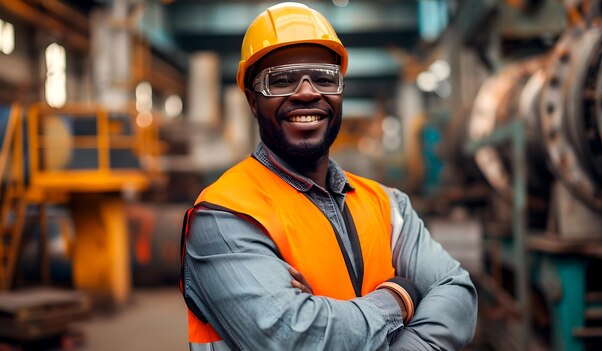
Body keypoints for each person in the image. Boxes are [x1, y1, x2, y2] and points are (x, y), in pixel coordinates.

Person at [180, 2, 477, 350]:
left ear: (340, 91)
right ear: (252, 101)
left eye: (324, 78)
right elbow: (294, 338)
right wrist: (399, 298)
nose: (307, 92)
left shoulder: (388, 205)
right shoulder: (224, 216)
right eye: (282, 80)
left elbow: (458, 295)